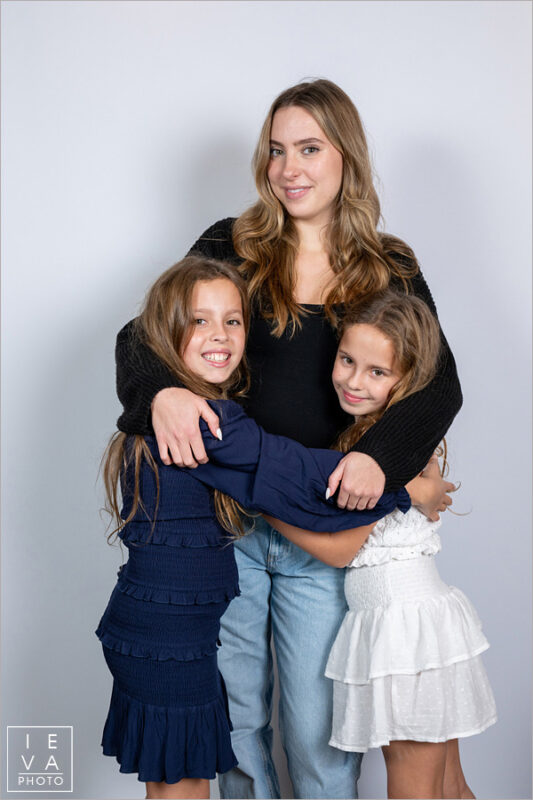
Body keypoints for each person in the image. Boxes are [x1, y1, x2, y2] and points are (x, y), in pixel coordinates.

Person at [113, 78, 462, 799]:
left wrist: (378, 461)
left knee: (318, 734)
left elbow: (438, 385)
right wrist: (162, 393)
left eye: (308, 148)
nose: (288, 168)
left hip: (324, 530)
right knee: (238, 727)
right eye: (275, 150)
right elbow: (144, 336)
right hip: (231, 524)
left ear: (346, 158)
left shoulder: (388, 266)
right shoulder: (232, 243)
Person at [97, 255, 412, 800]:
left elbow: (277, 483)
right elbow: (302, 478)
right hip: (166, 645)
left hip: (170, 637)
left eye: (233, 320)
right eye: (199, 321)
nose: (220, 335)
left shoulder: (197, 413)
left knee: (180, 783)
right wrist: (404, 486)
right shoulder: (201, 423)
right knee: (182, 786)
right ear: (163, 332)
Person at [264, 291, 496, 800]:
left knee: (417, 788)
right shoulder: (382, 441)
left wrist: (261, 506)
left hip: (404, 633)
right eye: (347, 360)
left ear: (407, 380)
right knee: (451, 788)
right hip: (419, 625)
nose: (353, 381)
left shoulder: (381, 453)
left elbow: (340, 550)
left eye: (377, 372)